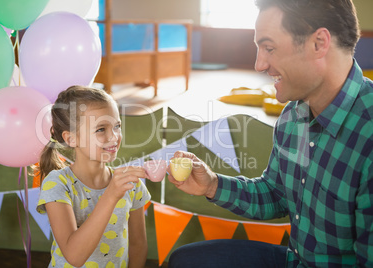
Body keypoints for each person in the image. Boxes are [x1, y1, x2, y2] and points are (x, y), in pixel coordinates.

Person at [167, 0, 373, 267]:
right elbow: (275, 194)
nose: (259, 64)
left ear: (319, 43)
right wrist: (212, 184)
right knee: (186, 261)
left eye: (269, 48)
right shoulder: (292, 115)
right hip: (294, 260)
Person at [36, 85, 151, 268]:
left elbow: (138, 245)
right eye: (100, 129)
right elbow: (74, 256)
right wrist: (111, 195)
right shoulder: (57, 184)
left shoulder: (131, 184)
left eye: (117, 126)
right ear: (71, 139)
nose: (113, 137)